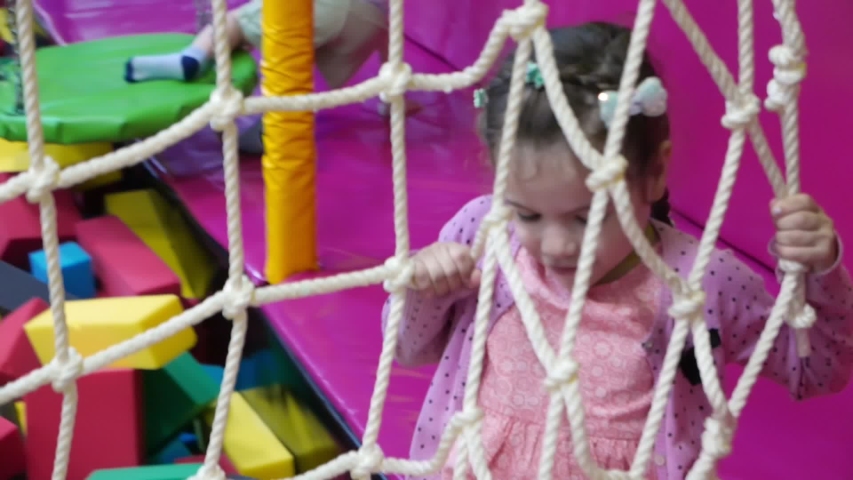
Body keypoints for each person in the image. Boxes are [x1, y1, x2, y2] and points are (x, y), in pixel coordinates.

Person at [381, 22, 853, 479]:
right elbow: (406, 348)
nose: (556, 246)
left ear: (653, 172)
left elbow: (815, 370)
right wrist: (427, 288)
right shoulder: (484, 233)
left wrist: (820, 271)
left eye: (587, 218)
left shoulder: (696, 281)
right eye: (526, 214)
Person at [124, 0, 419, 153]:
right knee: (306, 77)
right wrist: (396, 100)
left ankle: (190, 58)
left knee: (236, 20)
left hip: (330, 5)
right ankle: (267, 131)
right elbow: (391, 51)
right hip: (372, 22)